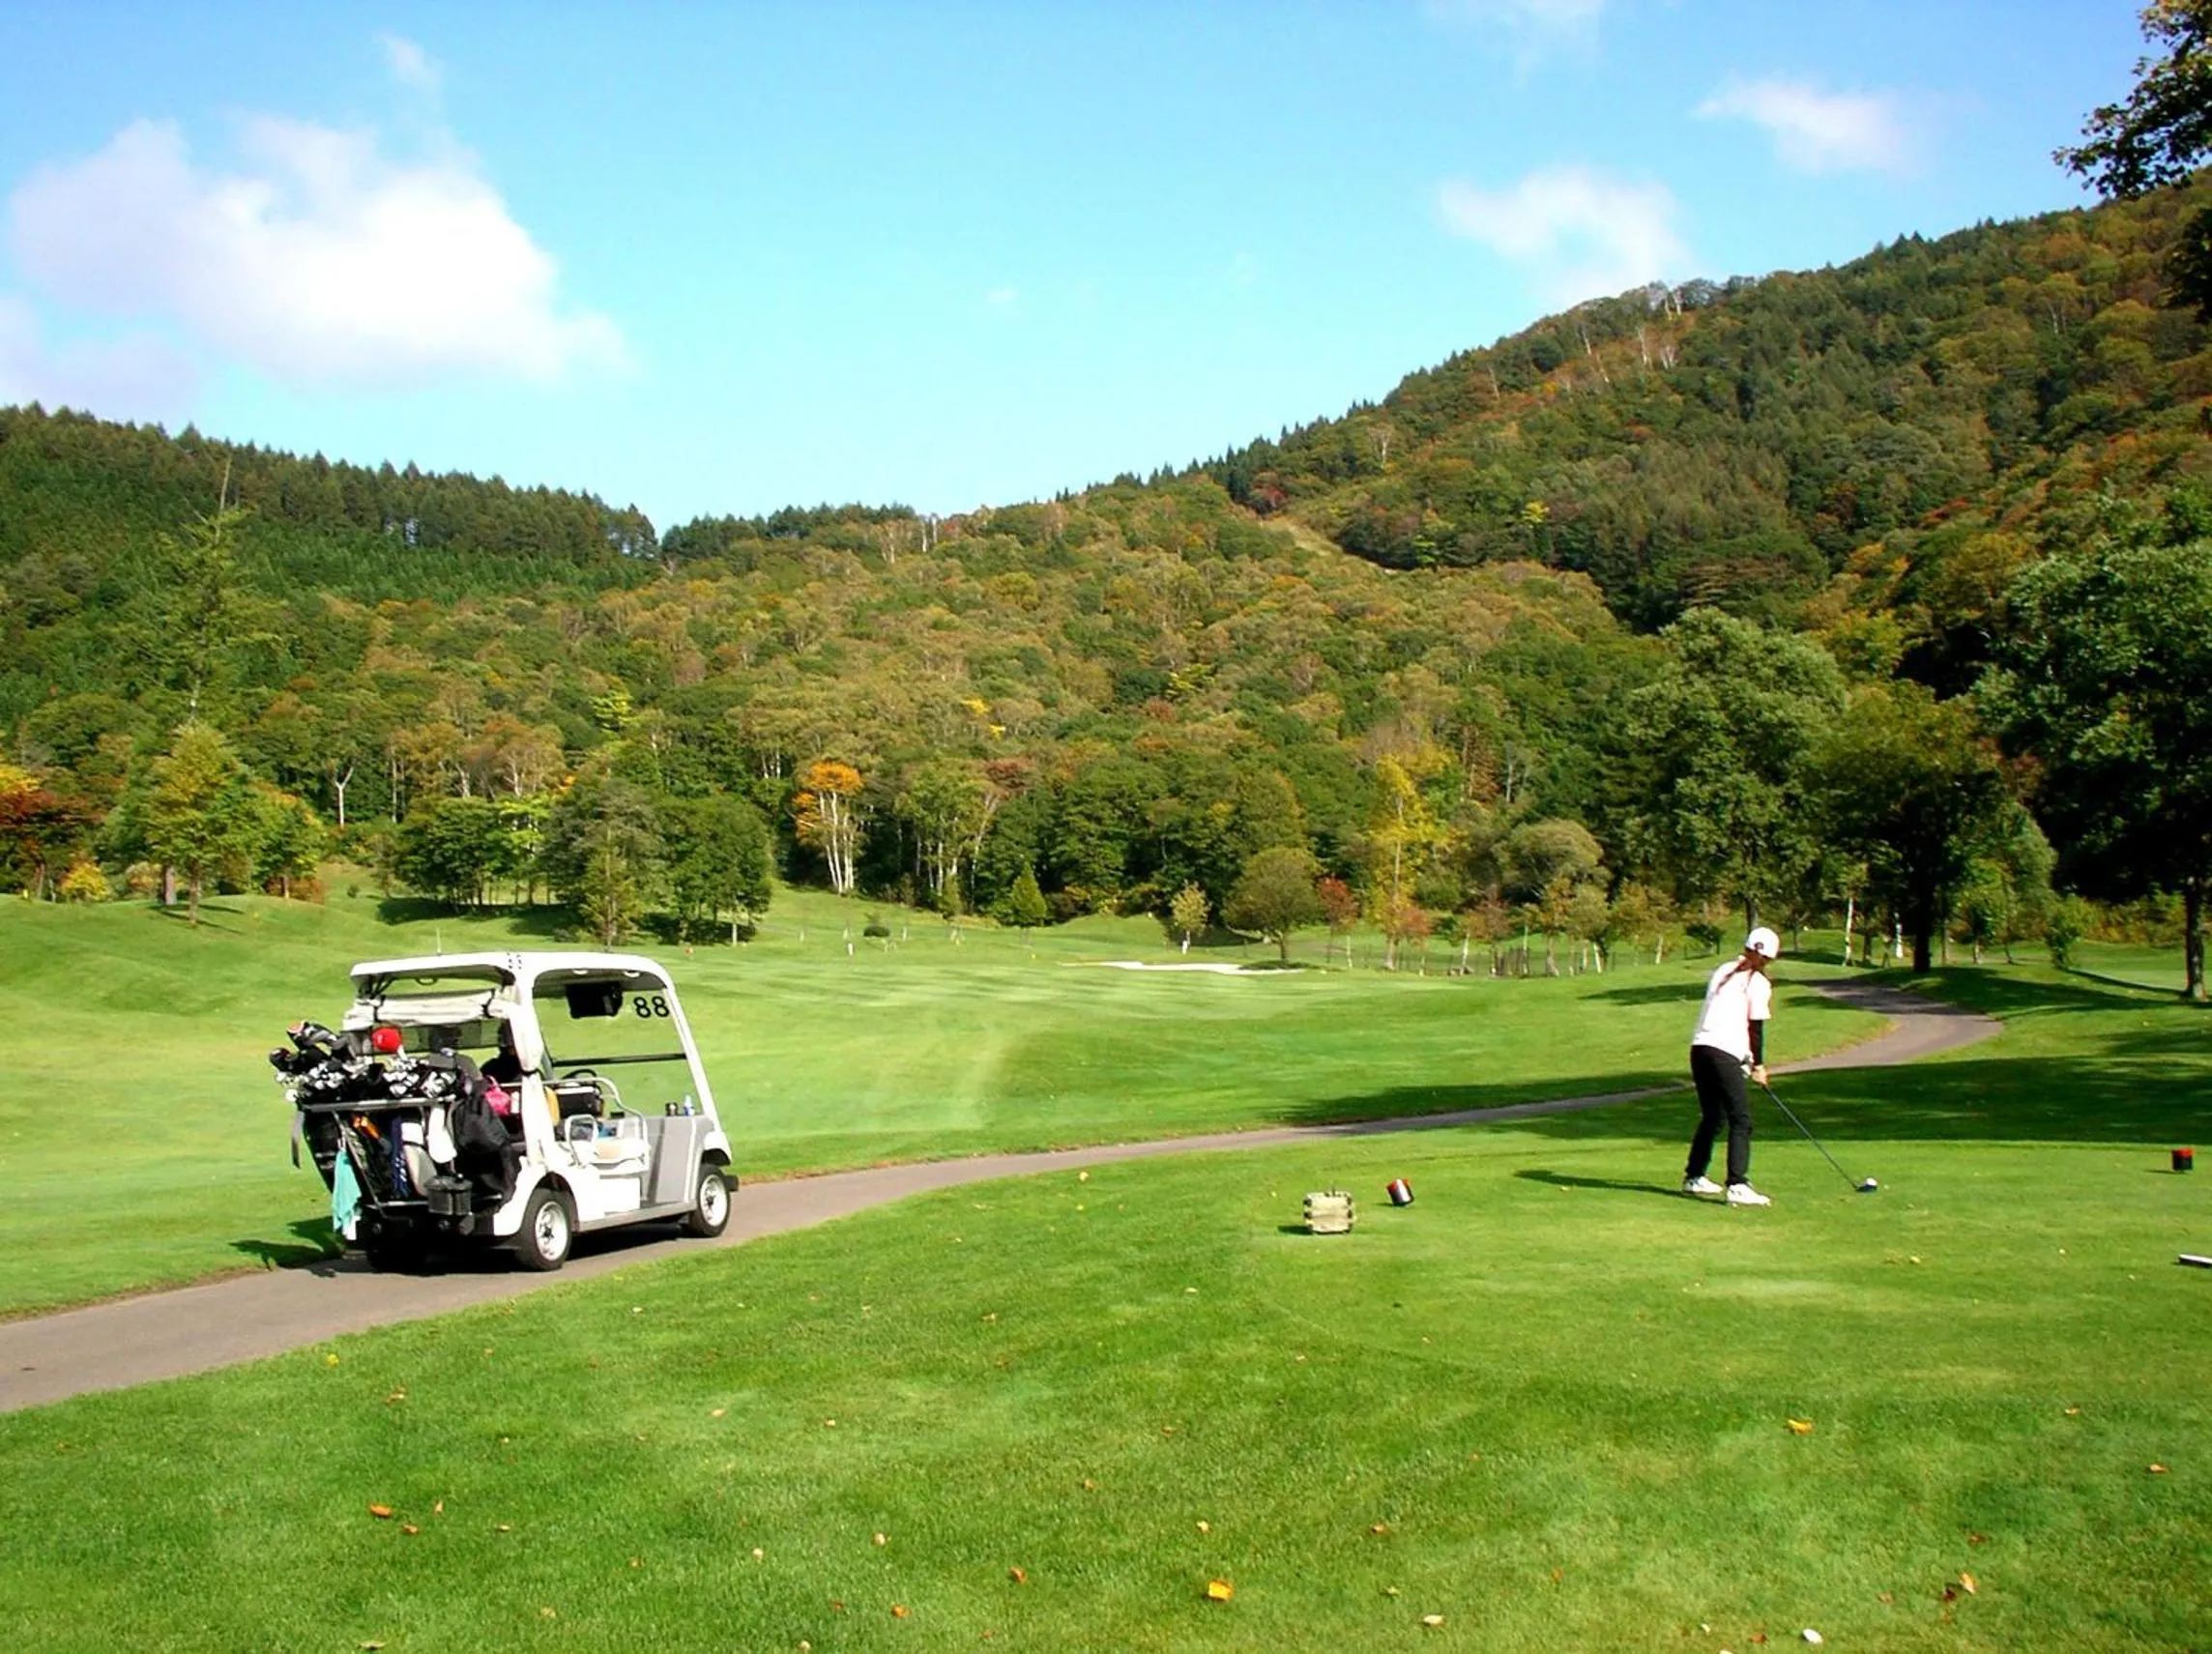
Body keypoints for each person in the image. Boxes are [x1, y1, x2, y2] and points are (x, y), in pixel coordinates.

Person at [1683, 926, 1779, 1207]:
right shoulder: (1758, 983)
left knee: (1713, 1117)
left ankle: (1694, 1176)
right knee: (1742, 1119)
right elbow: (1755, 1027)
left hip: (1700, 1049)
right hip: (1723, 1052)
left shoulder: (1724, 969)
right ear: (1769, 958)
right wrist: (1758, 1065)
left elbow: (1731, 1016)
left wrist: (1745, 1058)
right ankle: (1737, 1184)